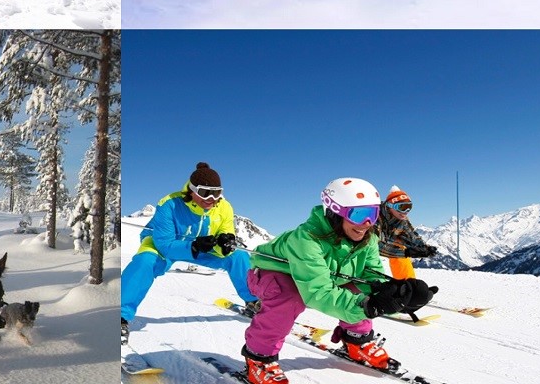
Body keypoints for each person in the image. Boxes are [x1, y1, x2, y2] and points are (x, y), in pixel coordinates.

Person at [240, 178, 437, 384]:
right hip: (270, 274)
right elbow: (318, 293)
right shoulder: (306, 239)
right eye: (359, 214)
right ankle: (259, 358)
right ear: (335, 212)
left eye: (373, 214)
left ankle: (357, 340)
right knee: (290, 295)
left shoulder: (367, 238)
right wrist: (370, 306)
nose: (367, 223)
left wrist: (396, 293)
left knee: (358, 287)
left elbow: (369, 275)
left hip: (323, 274)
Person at [121, 162, 257, 345]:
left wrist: (224, 244)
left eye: (216, 193)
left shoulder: (224, 207)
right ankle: (120, 317)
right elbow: (164, 244)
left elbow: (226, 232)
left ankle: (253, 301)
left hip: (202, 248)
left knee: (239, 257)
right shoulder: (169, 204)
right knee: (144, 262)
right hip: (164, 246)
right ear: (191, 190)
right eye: (204, 192)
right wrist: (193, 246)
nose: (211, 198)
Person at [374, 185, 438, 281]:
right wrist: (406, 252)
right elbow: (373, 245)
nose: (406, 211)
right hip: (367, 243)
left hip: (388, 238)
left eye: (409, 207)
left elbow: (411, 236)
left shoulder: (402, 219)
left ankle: (408, 283)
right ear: (390, 205)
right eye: (402, 207)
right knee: (371, 257)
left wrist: (424, 248)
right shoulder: (375, 216)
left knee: (402, 251)